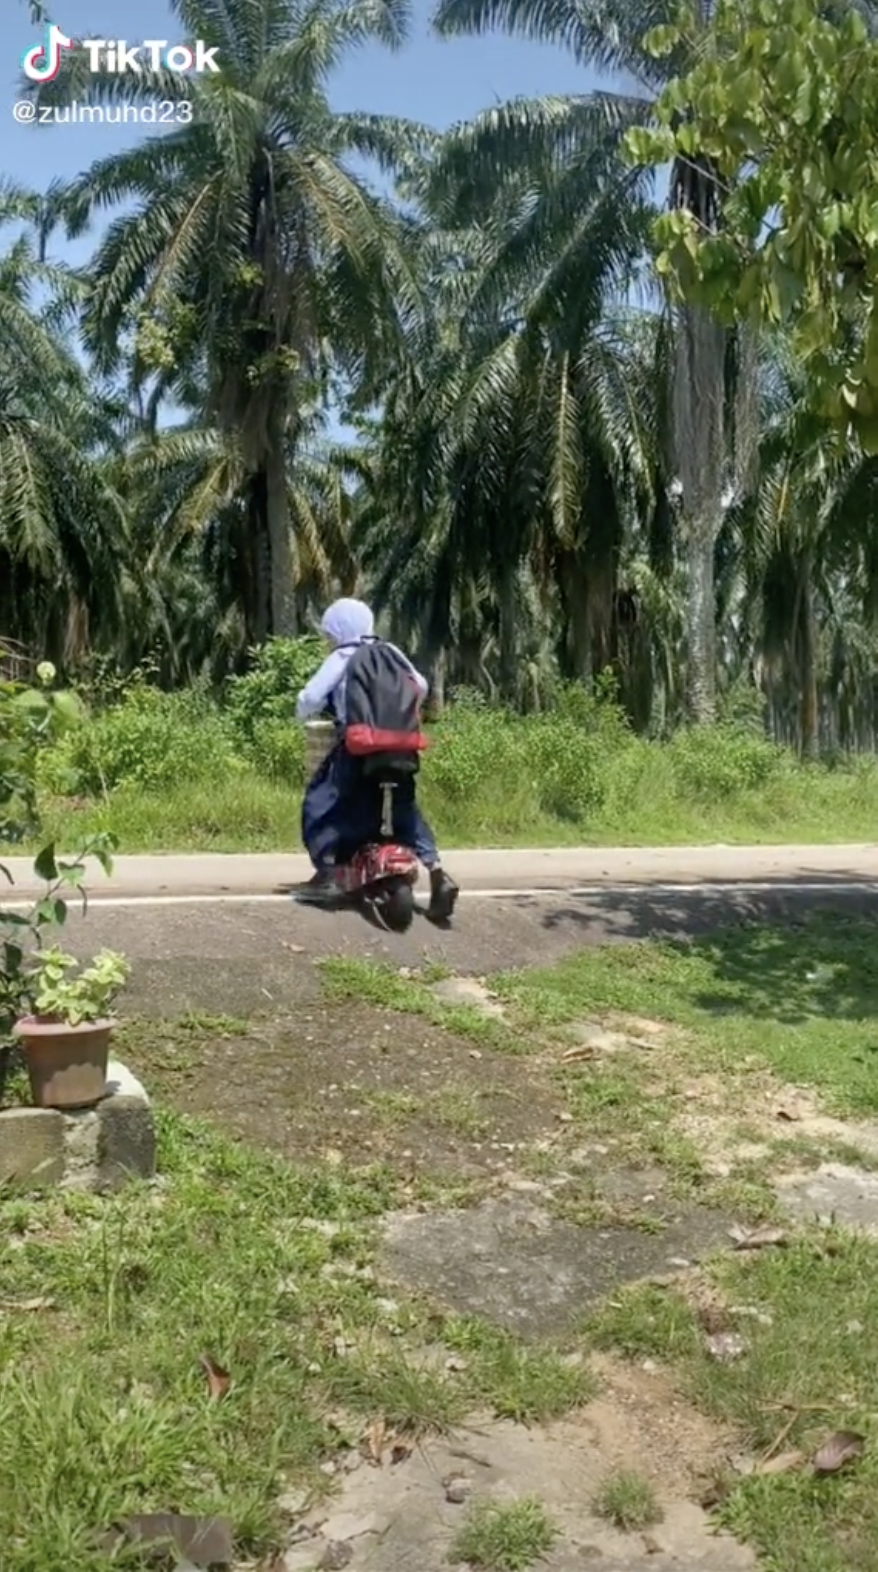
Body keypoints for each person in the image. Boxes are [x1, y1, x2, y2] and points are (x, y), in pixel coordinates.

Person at [294, 598, 458, 921]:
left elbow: (309, 698)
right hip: (402, 745)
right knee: (404, 807)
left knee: (322, 803)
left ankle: (329, 874)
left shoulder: (343, 656)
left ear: (339, 630)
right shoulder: (391, 652)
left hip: (358, 746)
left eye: (330, 633)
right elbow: (421, 686)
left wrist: (306, 713)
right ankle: (437, 871)